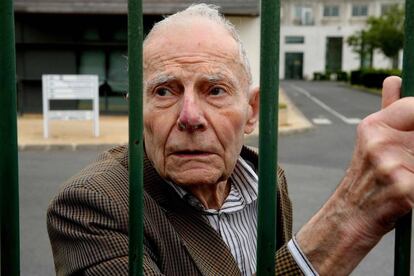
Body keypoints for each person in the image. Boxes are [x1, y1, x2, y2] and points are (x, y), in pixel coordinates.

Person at [47, 4, 414, 276]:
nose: (190, 116)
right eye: (164, 91)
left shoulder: (268, 180)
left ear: (253, 110)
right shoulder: (90, 207)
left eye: (216, 90)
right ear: (136, 112)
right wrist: (347, 219)